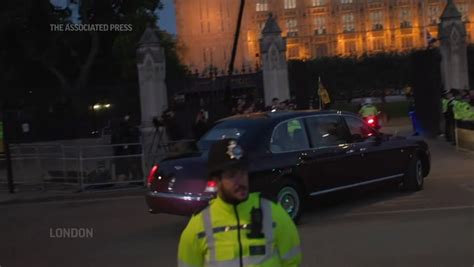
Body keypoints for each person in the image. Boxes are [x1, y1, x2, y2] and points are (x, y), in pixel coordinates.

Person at [178, 138, 302, 267]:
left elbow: (293, 262)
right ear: (217, 181)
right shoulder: (199, 224)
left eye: (243, 173)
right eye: (232, 175)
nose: (241, 181)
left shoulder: (273, 212)